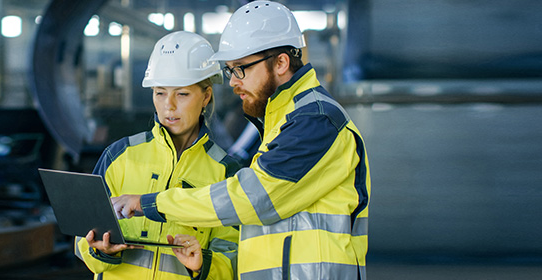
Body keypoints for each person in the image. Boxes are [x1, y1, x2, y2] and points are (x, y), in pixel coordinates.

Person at [111, 2, 371, 279]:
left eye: (241, 68)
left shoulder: (315, 120)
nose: (234, 82)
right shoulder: (282, 120)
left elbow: (253, 198)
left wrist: (152, 203)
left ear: (281, 62)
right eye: (231, 70)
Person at [75, 31, 241, 280]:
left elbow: (234, 255)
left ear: (206, 96)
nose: (168, 106)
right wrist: (100, 250)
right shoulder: (120, 156)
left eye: (182, 94)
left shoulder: (226, 173)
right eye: (160, 92)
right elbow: (82, 237)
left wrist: (202, 264)